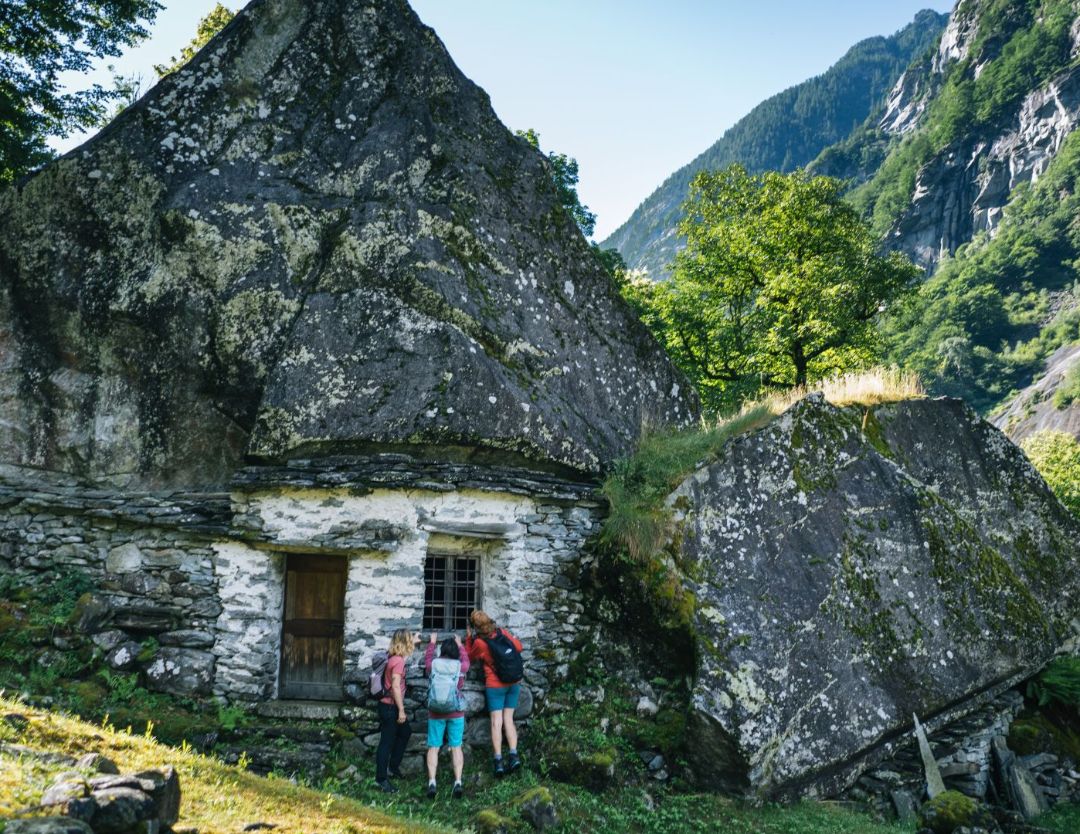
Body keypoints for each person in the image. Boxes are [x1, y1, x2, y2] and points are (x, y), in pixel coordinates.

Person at [465, 609, 524, 777]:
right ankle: (513, 755)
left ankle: (498, 761)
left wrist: (469, 639)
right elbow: (518, 647)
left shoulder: (480, 644)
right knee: (509, 719)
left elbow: (469, 658)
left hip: (495, 685)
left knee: (496, 722)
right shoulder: (502, 632)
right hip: (514, 682)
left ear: (476, 627)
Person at [424, 632, 470, 799]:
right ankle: (457, 781)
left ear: (441, 650)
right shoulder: (460, 666)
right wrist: (461, 645)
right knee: (456, 746)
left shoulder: (433, 665)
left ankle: (432, 782)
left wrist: (432, 643)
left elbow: (427, 659)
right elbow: (467, 662)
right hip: (456, 711)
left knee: (434, 746)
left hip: (435, 712)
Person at [375, 628, 419, 792]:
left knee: (405, 732)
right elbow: (395, 686)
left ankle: (393, 767)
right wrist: (401, 710)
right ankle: (381, 779)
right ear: (404, 642)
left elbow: (402, 661)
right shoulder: (398, 661)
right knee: (386, 742)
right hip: (390, 707)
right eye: (409, 639)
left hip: (387, 705)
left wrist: (413, 643)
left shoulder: (393, 657)